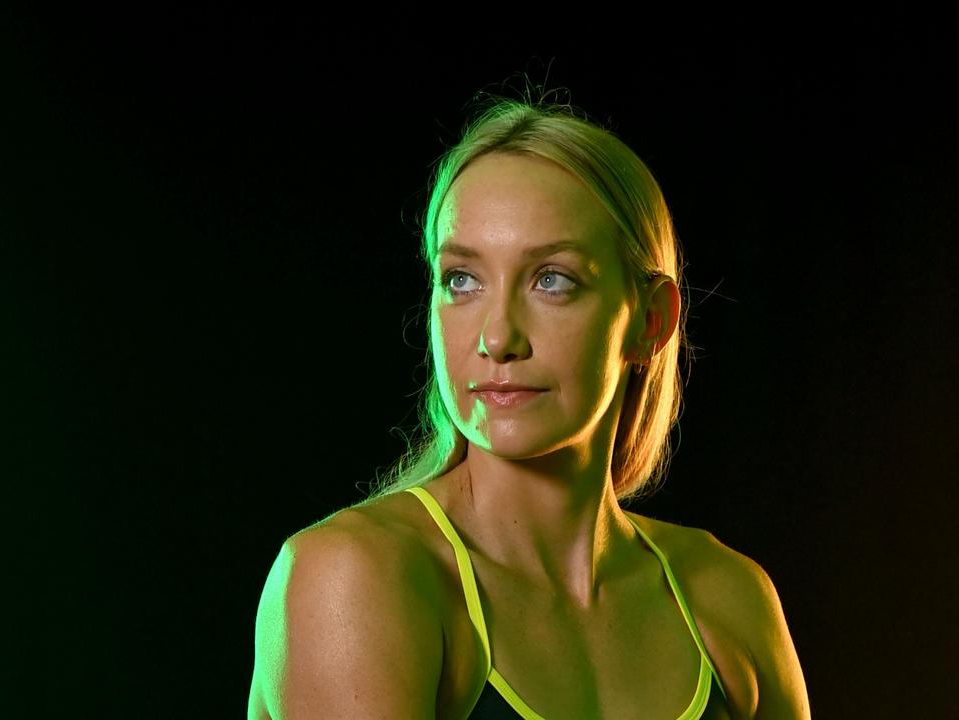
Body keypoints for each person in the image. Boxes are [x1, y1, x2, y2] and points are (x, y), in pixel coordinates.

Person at [247, 92, 810, 719]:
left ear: (651, 320)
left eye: (552, 280)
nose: (497, 339)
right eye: (462, 279)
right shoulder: (357, 577)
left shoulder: (728, 598)